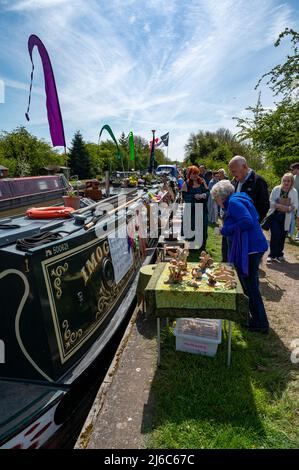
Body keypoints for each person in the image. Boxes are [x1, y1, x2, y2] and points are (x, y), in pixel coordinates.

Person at [211, 180, 269, 333]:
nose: (216, 201)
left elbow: (247, 221)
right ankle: (254, 318)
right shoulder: (236, 200)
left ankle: (260, 323)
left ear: (220, 196)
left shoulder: (234, 203)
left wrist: (225, 230)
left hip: (251, 248)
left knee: (250, 286)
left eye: (215, 198)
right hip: (252, 246)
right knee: (249, 284)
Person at [266, 173, 298, 262]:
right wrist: (279, 206)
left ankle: (279, 254)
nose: (286, 182)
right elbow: (270, 201)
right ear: (282, 181)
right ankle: (272, 255)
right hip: (275, 215)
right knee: (275, 235)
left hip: (286, 217)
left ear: (292, 182)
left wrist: (288, 208)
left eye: (288, 181)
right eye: (284, 180)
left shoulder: (294, 191)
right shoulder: (276, 189)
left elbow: (296, 205)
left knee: (282, 235)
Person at [229, 156, 270, 221]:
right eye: (231, 172)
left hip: (250, 226)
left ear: (244, 167)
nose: (232, 174)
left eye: (234, 171)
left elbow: (264, 206)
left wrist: (253, 222)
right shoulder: (234, 181)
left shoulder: (258, 181)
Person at [181, 165, 209, 251]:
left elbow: (208, 192)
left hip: (202, 209)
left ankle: (202, 246)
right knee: (192, 227)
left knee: (203, 227)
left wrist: (204, 195)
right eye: (193, 174)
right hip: (191, 210)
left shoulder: (202, 181)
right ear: (189, 174)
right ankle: (191, 246)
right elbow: (185, 197)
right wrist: (194, 196)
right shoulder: (186, 184)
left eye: (196, 174)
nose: (195, 176)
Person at [291, 162, 299, 241]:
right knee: (291, 217)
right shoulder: (293, 178)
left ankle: (298, 235)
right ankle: (291, 233)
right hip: (293, 201)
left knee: (298, 218)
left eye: (294, 169)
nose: (293, 171)